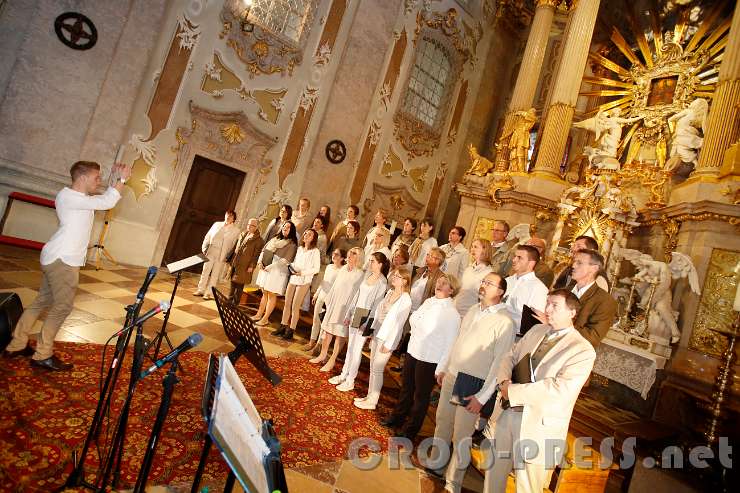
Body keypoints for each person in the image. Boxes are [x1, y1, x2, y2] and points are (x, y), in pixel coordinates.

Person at [4, 161, 130, 370]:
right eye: (96, 178)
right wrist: (123, 179)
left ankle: (16, 344)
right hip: (63, 261)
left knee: (41, 301)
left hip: (56, 257)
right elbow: (108, 202)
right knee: (62, 307)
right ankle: (42, 355)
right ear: (82, 178)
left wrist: (115, 179)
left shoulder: (75, 197)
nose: (98, 182)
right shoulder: (71, 197)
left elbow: (103, 199)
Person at [482, 289, 596, 493]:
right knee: (494, 476)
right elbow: (510, 356)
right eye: (547, 303)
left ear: (572, 312)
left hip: (539, 425)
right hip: (507, 413)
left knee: (527, 487)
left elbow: (560, 390)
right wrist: (504, 381)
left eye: (555, 305)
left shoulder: (582, 349)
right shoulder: (536, 331)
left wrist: (514, 391)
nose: (548, 309)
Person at [432, 273, 515, 492]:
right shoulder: (472, 309)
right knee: (443, 421)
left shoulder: (505, 322)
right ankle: (437, 464)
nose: (483, 285)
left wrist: (482, 397)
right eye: (483, 281)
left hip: (473, 382)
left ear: (500, 292)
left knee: (461, 434)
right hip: (453, 374)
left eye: (489, 283)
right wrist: (445, 366)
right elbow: (457, 340)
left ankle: (453, 482)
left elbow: (500, 364)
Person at [381, 274, 461, 440]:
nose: (439, 284)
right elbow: (414, 322)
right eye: (439, 281)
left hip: (430, 359)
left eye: (445, 283)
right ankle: (397, 418)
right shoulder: (429, 301)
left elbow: (450, 344)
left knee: (420, 397)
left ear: (452, 290)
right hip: (414, 351)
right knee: (406, 388)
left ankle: (410, 430)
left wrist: (441, 369)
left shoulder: (451, 313)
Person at [329, 252, 389, 392]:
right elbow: (357, 295)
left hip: (366, 314)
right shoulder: (368, 275)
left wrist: (368, 322)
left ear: (380, 264)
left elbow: (376, 305)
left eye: (373, 261)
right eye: (370, 260)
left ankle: (350, 380)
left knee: (357, 349)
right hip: (357, 312)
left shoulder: (382, 281)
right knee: (350, 346)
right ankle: (344, 374)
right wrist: (349, 312)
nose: (370, 263)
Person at [354, 266, 412, 410]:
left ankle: (373, 401)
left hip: (387, 338)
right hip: (378, 332)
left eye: (397, 276)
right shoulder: (390, 292)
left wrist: (389, 343)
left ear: (404, 281)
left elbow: (398, 325)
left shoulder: (406, 300)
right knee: (373, 367)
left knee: (378, 369)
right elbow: (380, 312)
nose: (393, 277)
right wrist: (372, 330)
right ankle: (369, 396)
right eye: (394, 275)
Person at [310, 247, 365, 372]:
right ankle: (322, 355)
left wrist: (351, 313)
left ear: (359, 258)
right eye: (350, 252)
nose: (350, 255)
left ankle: (332, 360)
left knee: (340, 334)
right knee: (328, 331)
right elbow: (334, 287)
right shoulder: (343, 269)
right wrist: (328, 302)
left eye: (354, 253)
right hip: (334, 303)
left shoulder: (360, 274)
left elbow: (357, 294)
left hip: (345, 307)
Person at [274, 228, 322, 340]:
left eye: (309, 234)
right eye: (305, 233)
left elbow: (316, 269)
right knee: (287, 303)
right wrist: (291, 266)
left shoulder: (315, 251)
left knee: (295, 306)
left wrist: (303, 273)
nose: (306, 235)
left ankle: (291, 330)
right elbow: (296, 262)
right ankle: (283, 326)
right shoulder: (300, 248)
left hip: (304, 280)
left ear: (313, 238)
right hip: (294, 277)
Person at [569, 249, 617, 347]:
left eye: (579, 263)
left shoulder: (605, 301)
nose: (573, 266)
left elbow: (593, 338)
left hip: (575, 354)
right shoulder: (564, 291)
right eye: (574, 261)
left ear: (594, 268)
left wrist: (562, 324)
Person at [253, 221, 298, 326]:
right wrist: (260, 262)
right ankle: (259, 314)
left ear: (292, 230)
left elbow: (286, 261)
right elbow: (264, 251)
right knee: (264, 292)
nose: (285, 228)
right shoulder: (274, 239)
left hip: (277, 271)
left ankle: (265, 319)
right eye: (284, 226)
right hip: (266, 267)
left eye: (288, 227)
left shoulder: (292, 244)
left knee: (271, 294)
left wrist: (270, 267)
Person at [303, 248, 346, 353]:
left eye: (337, 254)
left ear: (342, 258)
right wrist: (316, 294)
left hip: (330, 300)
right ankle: (311, 342)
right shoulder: (329, 267)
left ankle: (318, 346)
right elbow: (323, 281)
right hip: (321, 296)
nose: (333, 255)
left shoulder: (342, 271)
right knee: (315, 320)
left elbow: (338, 288)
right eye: (333, 253)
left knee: (324, 323)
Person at [196, 210, 241, 300]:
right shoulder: (217, 224)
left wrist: (228, 256)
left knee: (215, 274)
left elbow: (233, 245)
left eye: (231, 216)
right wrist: (204, 248)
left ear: (234, 219)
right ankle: (200, 289)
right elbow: (208, 236)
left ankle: (208, 293)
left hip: (222, 254)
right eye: (227, 215)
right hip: (211, 250)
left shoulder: (236, 231)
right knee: (205, 270)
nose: (228, 217)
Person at [504, 245, 548, 335]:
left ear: (531, 263)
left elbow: (535, 323)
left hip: (516, 336)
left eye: (519, 258)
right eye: (515, 256)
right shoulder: (507, 281)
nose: (514, 260)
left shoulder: (538, 288)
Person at [229, 218, 264, 305]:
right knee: (232, 282)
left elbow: (256, 255)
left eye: (252, 225)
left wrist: (252, 266)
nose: (249, 226)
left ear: (257, 227)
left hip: (245, 264)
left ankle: (235, 304)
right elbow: (236, 247)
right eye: (248, 224)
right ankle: (229, 301)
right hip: (236, 262)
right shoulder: (243, 234)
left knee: (240, 284)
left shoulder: (259, 240)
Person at [454, 238, 493, 317]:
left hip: (468, 314)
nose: (472, 249)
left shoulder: (489, 273)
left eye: (476, 247)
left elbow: (484, 299)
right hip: (456, 309)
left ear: (485, 250)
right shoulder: (469, 269)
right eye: (472, 246)